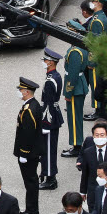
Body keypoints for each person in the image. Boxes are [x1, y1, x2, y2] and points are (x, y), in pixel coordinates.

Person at [14, 77, 44, 214]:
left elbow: (28, 133)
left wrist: (24, 153)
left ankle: (32, 212)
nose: (19, 92)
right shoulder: (32, 105)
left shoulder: (29, 109)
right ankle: (31, 210)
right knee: (31, 182)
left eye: (20, 90)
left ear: (26, 92)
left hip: (29, 153)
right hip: (32, 151)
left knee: (30, 183)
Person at [77, 123, 107, 197]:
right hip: (93, 191)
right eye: (97, 135)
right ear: (93, 136)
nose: (99, 137)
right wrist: (83, 192)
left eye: (102, 135)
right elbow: (85, 174)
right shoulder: (88, 152)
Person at [62, 22, 89, 158]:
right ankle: (77, 144)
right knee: (76, 117)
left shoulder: (75, 51)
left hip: (75, 88)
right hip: (79, 85)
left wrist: (68, 92)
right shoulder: (80, 46)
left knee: (74, 118)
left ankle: (77, 146)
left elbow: (72, 75)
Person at [39, 48, 64, 190]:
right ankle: (48, 174)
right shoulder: (55, 76)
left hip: (50, 117)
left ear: (50, 63)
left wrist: (44, 123)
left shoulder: (50, 80)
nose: (44, 62)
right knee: (50, 147)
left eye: (45, 60)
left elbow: (47, 102)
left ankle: (50, 178)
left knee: (48, 149)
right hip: (54, 113)